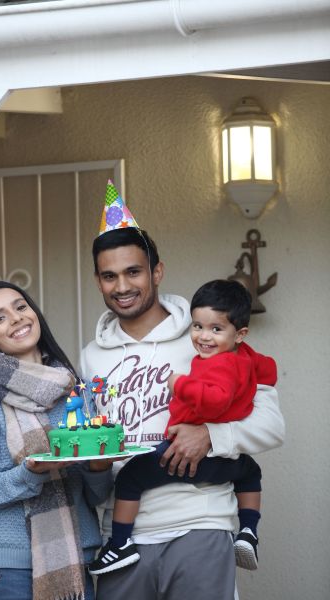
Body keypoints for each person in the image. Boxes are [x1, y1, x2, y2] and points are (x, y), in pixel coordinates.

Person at [80, 211, 284, 600]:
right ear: (98, 281)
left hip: (199, 523)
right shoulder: (91, 357)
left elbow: (272, 425)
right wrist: (94, 463)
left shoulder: (207, 337)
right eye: (109, 276)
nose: (122, 286)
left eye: (134, 272)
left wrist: (209, 435)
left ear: (157, 272)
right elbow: (98, 462)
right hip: (122, 538)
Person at [0, 280, 113, 600]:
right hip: (9, 569)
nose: (17, 317)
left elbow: (95, 495)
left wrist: (100, 466)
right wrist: (31, 471)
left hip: (77, 559)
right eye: (0, 317)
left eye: (21, 307)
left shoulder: (73, 391)